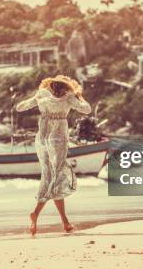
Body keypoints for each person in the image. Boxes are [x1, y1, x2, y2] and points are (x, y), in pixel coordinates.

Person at [15, 75, 91, 235]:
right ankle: (36, 212)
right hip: (57, 139)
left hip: (42, 139)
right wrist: (79, 96)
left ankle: (65, 223)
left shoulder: (42, 95)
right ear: (65, 87)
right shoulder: (69, 98)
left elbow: (19, 107)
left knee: (49, 177)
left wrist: (36, 97)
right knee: (57, 178)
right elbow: (87, 110)